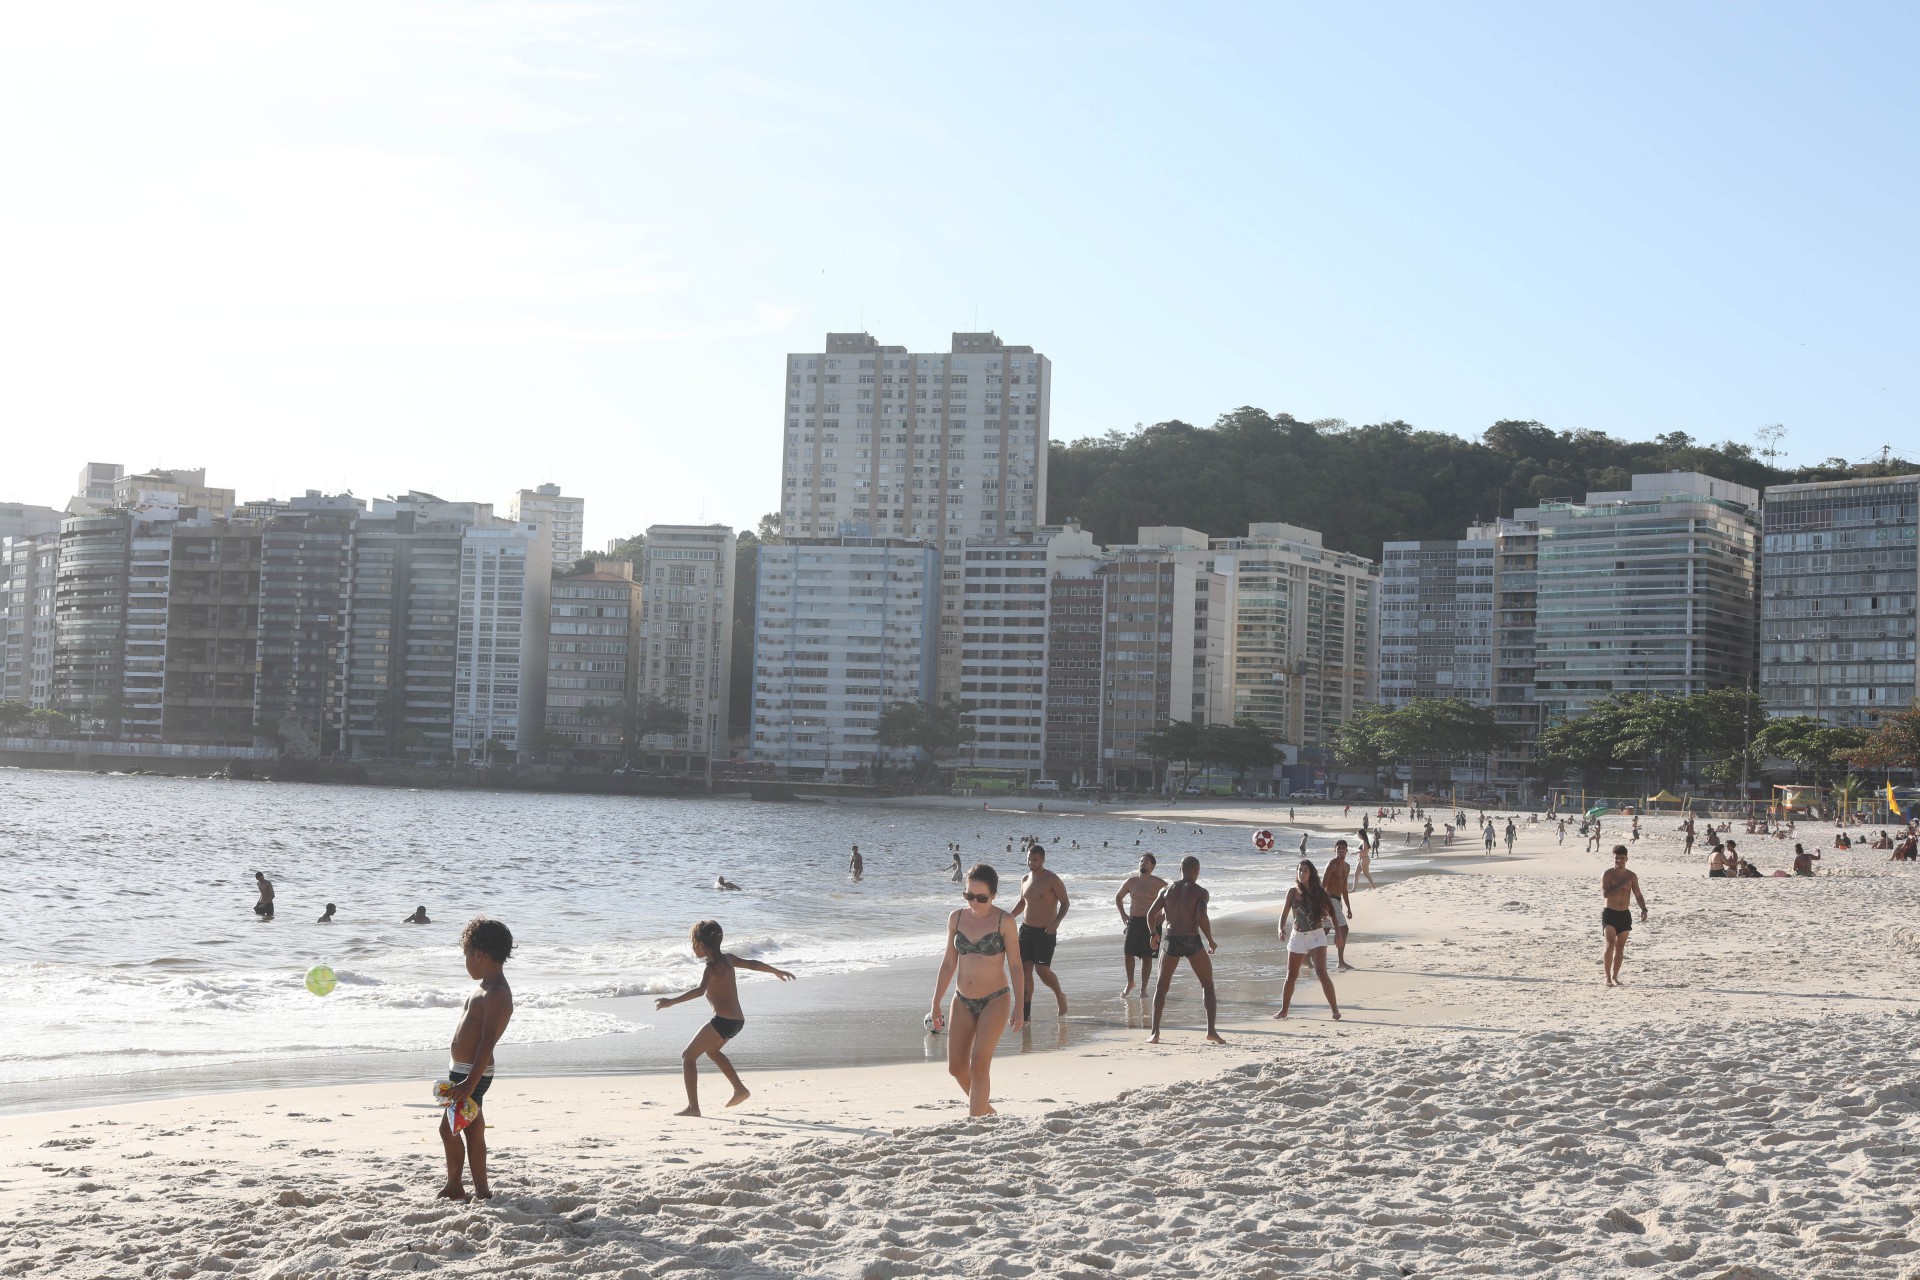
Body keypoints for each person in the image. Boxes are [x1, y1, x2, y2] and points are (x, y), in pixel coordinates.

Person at [654, 920, 796, 1116]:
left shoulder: (711, 967)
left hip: (723, 1021)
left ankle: (693, 1108)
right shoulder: (728, 959)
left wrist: (671, 1002)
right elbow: (752, 964)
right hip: (737, 1021)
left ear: (702, 945)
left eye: (693, 943)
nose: (692, 947)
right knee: (712, 1051)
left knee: (688, 1057)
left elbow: (699, 991)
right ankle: (739, 1089)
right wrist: (775, 971)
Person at [929, 865, 1024, 1115]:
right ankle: (987, 1112)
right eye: (969, 896)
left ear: (994, 895)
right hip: (962, 1000)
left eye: (981, 898)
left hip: (996, 1000)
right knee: (957, 1068)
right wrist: (936, 1001)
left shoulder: (1005, 921)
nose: (975, 902)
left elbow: (1015, 965)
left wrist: (1020, 1004)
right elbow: (949, 962)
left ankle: (976, 1123)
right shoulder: (956, 918)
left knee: (979, 1065)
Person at [438, 917, 515, 1201]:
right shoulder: (485, 987)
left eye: (465, 955)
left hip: (473, 1073)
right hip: (465, 1071)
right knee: (473, 1129)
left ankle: (456, 1185)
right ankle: (481, 1190)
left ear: (479, 954)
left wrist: (470, 1083)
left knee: (449, 1131)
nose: (465, 961)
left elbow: (486, 1042)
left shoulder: (496, 993)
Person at [1145, 856, 1222, 1044]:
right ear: (1197, 871)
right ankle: (1211, 1031)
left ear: (1180, 870)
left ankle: (1155, 1033)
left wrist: (1153, 934)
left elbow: (1150, 914)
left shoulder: (1166, 890)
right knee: (1208, 985)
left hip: (1171, 940)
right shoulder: (1200, 892)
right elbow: (1201, 917)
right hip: (1191, 940)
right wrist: (1211, 940)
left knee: (1161, 987)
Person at [1275, 860, 1341, 1020]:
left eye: (1305, 870)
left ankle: (1335, 1010)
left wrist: (1338, 934)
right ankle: (1284, 1010)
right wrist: (1280, 928)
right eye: (1299, 870)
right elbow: (1284, 914)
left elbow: (1332, 914)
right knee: (1291, 975)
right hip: (1297, 936)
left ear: (1310, 873)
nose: (1302, 873)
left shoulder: (1319, 892)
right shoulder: (1292, 892)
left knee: (1321, 973)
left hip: (1316, 936)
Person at [1012, 846, 1070, 1021]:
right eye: (1029, 859)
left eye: (1035, 860)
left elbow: (1065, 903)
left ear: (1043, 860)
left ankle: (1059, 995)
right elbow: (1023, 903)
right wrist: (1007, 917)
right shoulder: (1025, 879)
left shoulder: (1052, 879)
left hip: (1046, 931)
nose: (1031, 862)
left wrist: (1056, 922)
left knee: (1042, 971)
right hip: (1026, 930)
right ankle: (1026, 1013)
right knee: (1025, 971)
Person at [1113, 853, 1168, 996]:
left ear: (1153, 866)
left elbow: (1173, 899)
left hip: (1152, 923)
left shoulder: (1160, 883)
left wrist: (1164, 916)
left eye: (1147, 862)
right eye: (1141, 861)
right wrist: (1123, 915)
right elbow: (1118, 897)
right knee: (1128, 953)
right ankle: (1130, 982)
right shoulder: (1131, 882)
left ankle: (1143, 989)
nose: (1143, 863)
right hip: (1134, 921)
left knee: (1147, 956)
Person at [1600, 846, 1648, 988]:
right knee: (1610, 944)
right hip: (1610, 913)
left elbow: (1638, 894)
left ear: (1627, 859)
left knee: (1620, 947)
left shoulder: (1631, 876)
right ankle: (1607, 977)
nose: (1619, 860)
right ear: (1613, 858)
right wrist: (1621, 885)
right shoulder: (1607, 874)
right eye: (1617, 858)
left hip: (1624, 914)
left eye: (1622, 858)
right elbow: (1605, 894)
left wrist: (1643, 909)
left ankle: (1615, 977)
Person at [1321, 840, 1356, 972]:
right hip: (1328, 900)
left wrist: (1348, 907)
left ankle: (1307, 957)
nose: (1341, 850)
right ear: (1334, 850)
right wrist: (1321, 904)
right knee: (1344, 929)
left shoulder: (1347, 867)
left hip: (1338, 901)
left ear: (1347, 850)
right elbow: (1323, 886)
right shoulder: (1332, 864)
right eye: (1338, 848)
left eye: (1343, 848)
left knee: (1323, 931)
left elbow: (1344, 888)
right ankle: (1340, 961)